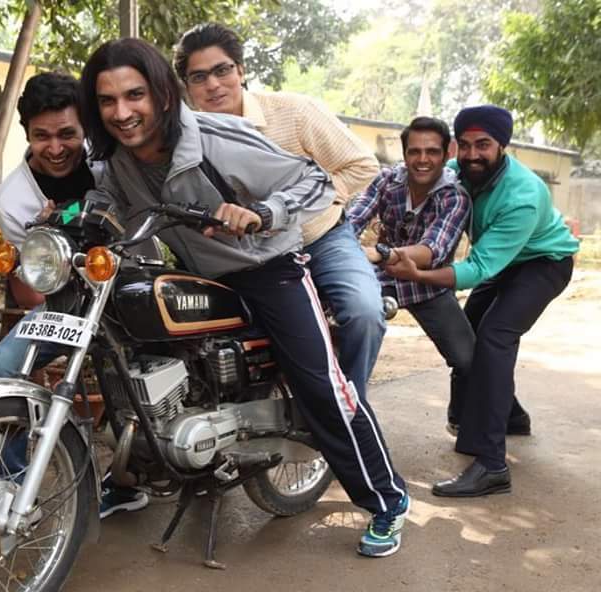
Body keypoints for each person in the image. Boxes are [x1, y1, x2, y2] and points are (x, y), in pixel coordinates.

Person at [79, 37, 409, 557]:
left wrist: (263, 212)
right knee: (130, 356)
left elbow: (315, 181)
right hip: (198, 274)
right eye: (107, 101)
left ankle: (387, 500)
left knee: (321, 386)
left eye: (134, 95)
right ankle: (134, 475)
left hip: (269, 269)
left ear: (162, 94)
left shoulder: (216, 137)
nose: (122, 113)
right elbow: (111, 204)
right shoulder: (117, 160)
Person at [172, 23, 385, 399]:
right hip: (243, 259)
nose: (213, 85)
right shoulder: (182, 137)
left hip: (321, 239)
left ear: (241, 70)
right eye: (199, 77)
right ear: (187, 86)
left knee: (364, 313)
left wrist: (307, 202)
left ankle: (349, 409)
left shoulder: (294, 111)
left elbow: (362, 165)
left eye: (222, 70)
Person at [386, 105, 579, 497]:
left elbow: (477, 268)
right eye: (466, 145)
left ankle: (492, 465)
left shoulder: (523, 194)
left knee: (494, 337)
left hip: (543, 263)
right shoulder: (456, 172)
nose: (473, 154)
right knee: (469, 332)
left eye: (484, 145)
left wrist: (418, 275)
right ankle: (511, 416)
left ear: (502, 145)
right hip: (502, 261)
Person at [0, 71, 149, 515]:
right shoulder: (14, 200)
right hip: (69, 302)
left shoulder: (109, 160)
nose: (55, 148)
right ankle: (14, 488)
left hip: (131, 289)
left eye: (67, 134)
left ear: (85, 129)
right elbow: (31, 293)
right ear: (27, 134)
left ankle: (131, 479)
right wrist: (46, 240)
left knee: (134, 383)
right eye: (42, 136)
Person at [347, 116, 473, 428]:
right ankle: (346, 412)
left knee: (468, 359)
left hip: (425, 284)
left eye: (432, 152)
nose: (422, 159)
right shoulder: (387, 180)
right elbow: (352, 221)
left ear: (447, 154)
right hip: (379, 278)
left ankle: (468, 418)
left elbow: (432, 251)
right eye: (414, 151)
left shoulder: (455, 196)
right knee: (351, 331)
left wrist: (382, 252)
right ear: (404, 154)